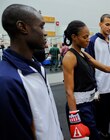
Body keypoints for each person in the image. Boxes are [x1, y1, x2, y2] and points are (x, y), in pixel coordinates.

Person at [0, 4, 64, 140]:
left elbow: (46, 115)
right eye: (41, 26)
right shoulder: (7, 80)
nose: (45, 32)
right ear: (22, 27)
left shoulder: (37, 67)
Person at [63, 20, 110, 140]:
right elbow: (68, 91)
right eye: (85, 37)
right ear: (74, 37)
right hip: (79, 107)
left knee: (94, 134)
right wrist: (74, 119)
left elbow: (105, 68)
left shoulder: (84, 54)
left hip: (90, 103)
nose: (88, 39)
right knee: (88, 137)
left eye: (89, 36)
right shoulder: (70, 57)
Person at [85, 14, 110, 140]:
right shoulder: (92, 41)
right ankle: (98, 135)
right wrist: (95, 88)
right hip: (99, 86)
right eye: (107, 24)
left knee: (108, 113)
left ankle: (105, 132)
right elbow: (90, 66)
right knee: (98, 115)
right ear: (100, 24)